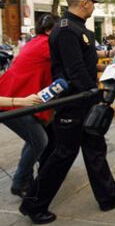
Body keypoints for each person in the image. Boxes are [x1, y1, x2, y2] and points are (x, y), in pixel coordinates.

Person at [20, 0, 115, 225]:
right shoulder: (66, 30)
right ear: (84, 3)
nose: (94, 6)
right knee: (63, 153)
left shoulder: (79, 29)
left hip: (84, 100)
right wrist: (97, 96)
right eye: (93, 2)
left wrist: (107, 72)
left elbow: (84, 64)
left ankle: (108, 196)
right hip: (73, 103)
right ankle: (33, 204)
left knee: (95, 148)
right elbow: (74, 71)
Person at [0, 13, 58, 198]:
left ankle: (26, 179)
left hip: (15, 96)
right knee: (39, 141)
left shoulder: (37, 41)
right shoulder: (45, 44)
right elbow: (71, 55)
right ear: (49, 31)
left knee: (34, 139)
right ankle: (20, 183)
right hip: (13, 99)